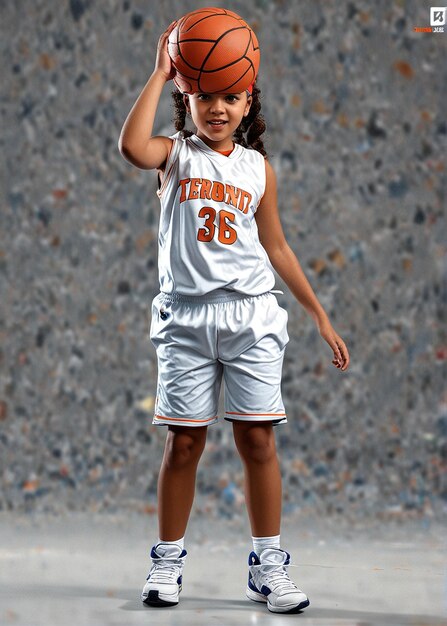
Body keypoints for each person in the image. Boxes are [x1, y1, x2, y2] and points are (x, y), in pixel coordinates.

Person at [118, 20, 350, 614]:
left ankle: (267, 564)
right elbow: (130, 148)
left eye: (230, 97)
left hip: (251, 316)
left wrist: (320, 315)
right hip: (189, 319)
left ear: (249, 102)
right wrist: (160, 71)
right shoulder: (176, 158)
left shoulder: (257, 169)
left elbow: (277, 248)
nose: (217, 108)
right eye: (204, 97)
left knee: (257, 439)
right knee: (184, 443)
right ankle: (166, 561)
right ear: (186, 101)